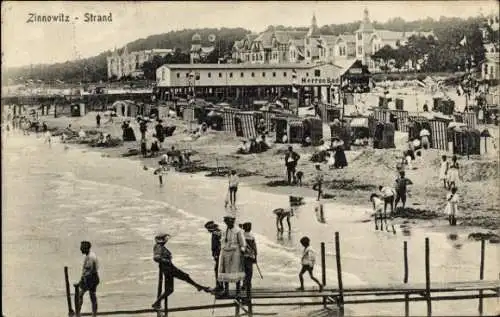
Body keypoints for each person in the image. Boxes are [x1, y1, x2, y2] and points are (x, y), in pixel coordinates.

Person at [152, 233, 210, 309]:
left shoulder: (160, 246)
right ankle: (199, 287)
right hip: (168, 269)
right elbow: (156, 258)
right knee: (185, 276)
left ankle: (156, 303)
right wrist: (166, 261)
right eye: (165, 239)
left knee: (169, 290)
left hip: (168, 268)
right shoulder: (159, 247)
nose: (166, 241)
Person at [218, 216, 246, 297]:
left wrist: (242, 250)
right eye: (226, 222)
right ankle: (226, 290)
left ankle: (238, 292)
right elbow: (222, 241)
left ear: (232, 222)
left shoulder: (238, 231)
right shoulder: (224, 230)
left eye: (228, 222)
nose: (227, 224)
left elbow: (242, 243)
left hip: (235, 254)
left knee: (236, 272)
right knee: (225, 271)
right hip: (225, 252)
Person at [74, 241, 99, 317]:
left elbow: (89, 271)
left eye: (82, 248)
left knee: (80, 295)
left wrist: (81, 282)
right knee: (92, 296)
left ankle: (78, 314)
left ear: (85, 248)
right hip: (93, 278)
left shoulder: (90, 257)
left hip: (90, 279)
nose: (80, 249)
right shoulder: (90, 255)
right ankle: (94, 314)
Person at [205, 221, 223, 291]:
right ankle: (220, 285)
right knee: (220, 269)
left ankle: (219, 286)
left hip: (218, 254)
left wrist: (215, 254)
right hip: (221, 253)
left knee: (217, 270)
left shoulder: (215, 234)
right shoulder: (220, 232)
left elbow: (215, 245)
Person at [240, 222, 257, 291]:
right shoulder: (252, 236)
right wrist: (255, 257)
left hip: (243, 256)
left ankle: (244, 284)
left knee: (243, 271)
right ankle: (249, 284)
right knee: (249, 271)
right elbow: (254, 247)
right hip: (250, 256)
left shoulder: (242, 235)